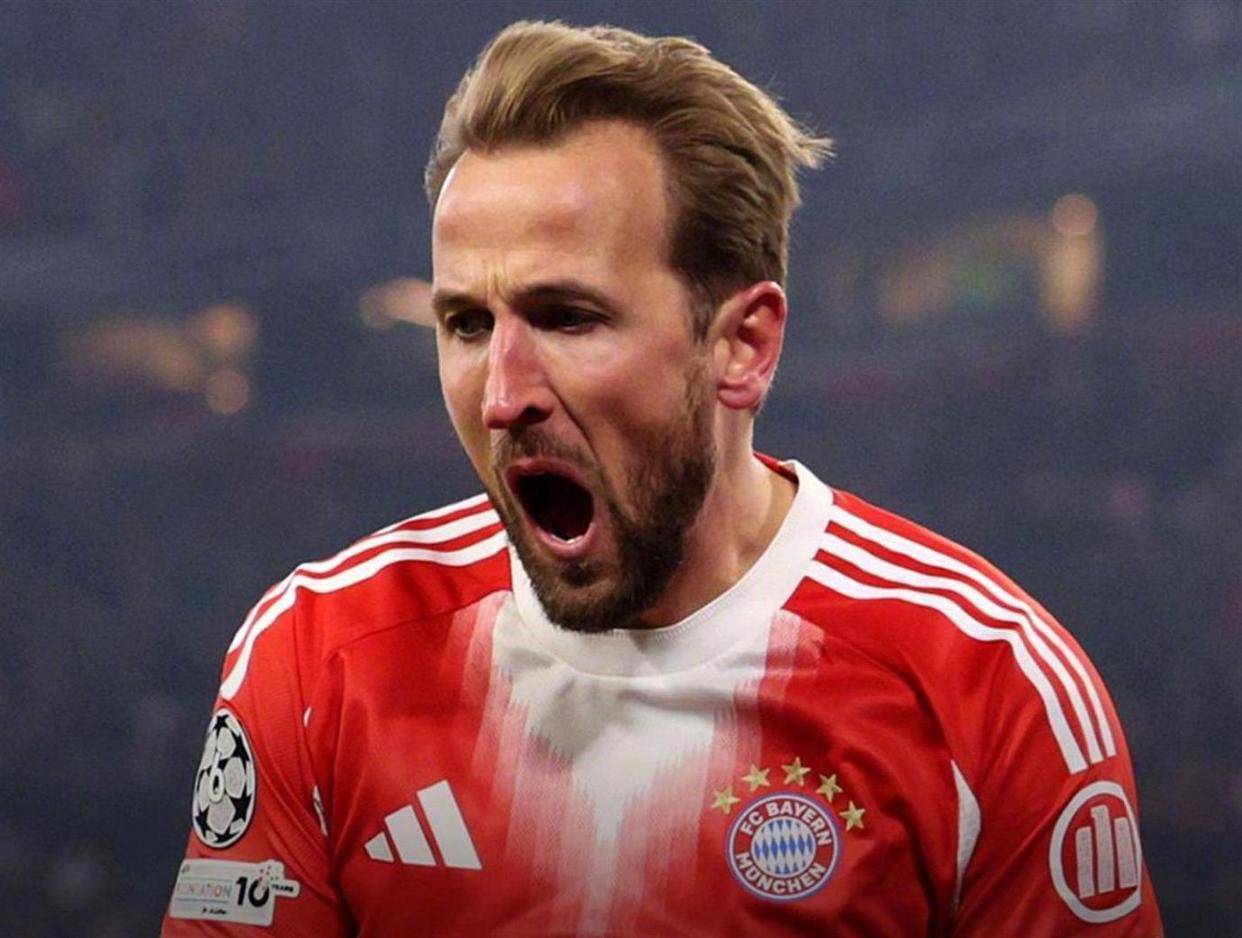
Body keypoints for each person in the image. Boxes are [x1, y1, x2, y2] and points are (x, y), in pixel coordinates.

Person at [164, 20, 1162, 936]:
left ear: (743, 347)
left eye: (567, 317)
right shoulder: (319, 657)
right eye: (466, 323)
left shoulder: (988, 686)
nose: (503, 394)